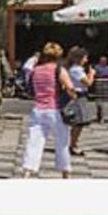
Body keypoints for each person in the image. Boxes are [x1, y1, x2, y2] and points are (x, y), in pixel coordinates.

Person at [21, 42, 78, 178]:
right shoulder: (59, 70)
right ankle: (65, 172)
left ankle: (27, 172)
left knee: (34, 142)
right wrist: (74, 95)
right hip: (55, 109)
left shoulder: (36, 70)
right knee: (62, 142)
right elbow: (70, 88)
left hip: (38, 110)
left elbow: (31, 90)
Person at [65, 46, 96, 156]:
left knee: (80, 122)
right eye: (85, 58)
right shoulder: (76, 70)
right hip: (78, 96)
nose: (86, 60)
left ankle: (73, 143)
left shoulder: (77, 69)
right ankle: (73, 145)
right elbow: (88, 83)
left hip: (81, 95)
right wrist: (92, 74)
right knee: (78, 122)